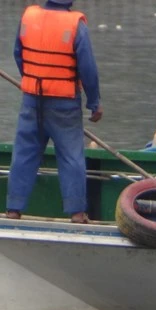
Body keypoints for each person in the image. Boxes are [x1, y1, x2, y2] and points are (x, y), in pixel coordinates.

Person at [6, 0, 102, 224]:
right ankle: (77, 213)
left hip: (32, 100)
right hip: (64, 102)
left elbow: (17, 53)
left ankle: (13, 209)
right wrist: (94, 102)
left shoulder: (28, 16)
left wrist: (31, 78)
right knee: (71, 156)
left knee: (24, 154)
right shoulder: (76, 24)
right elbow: (87, 68)